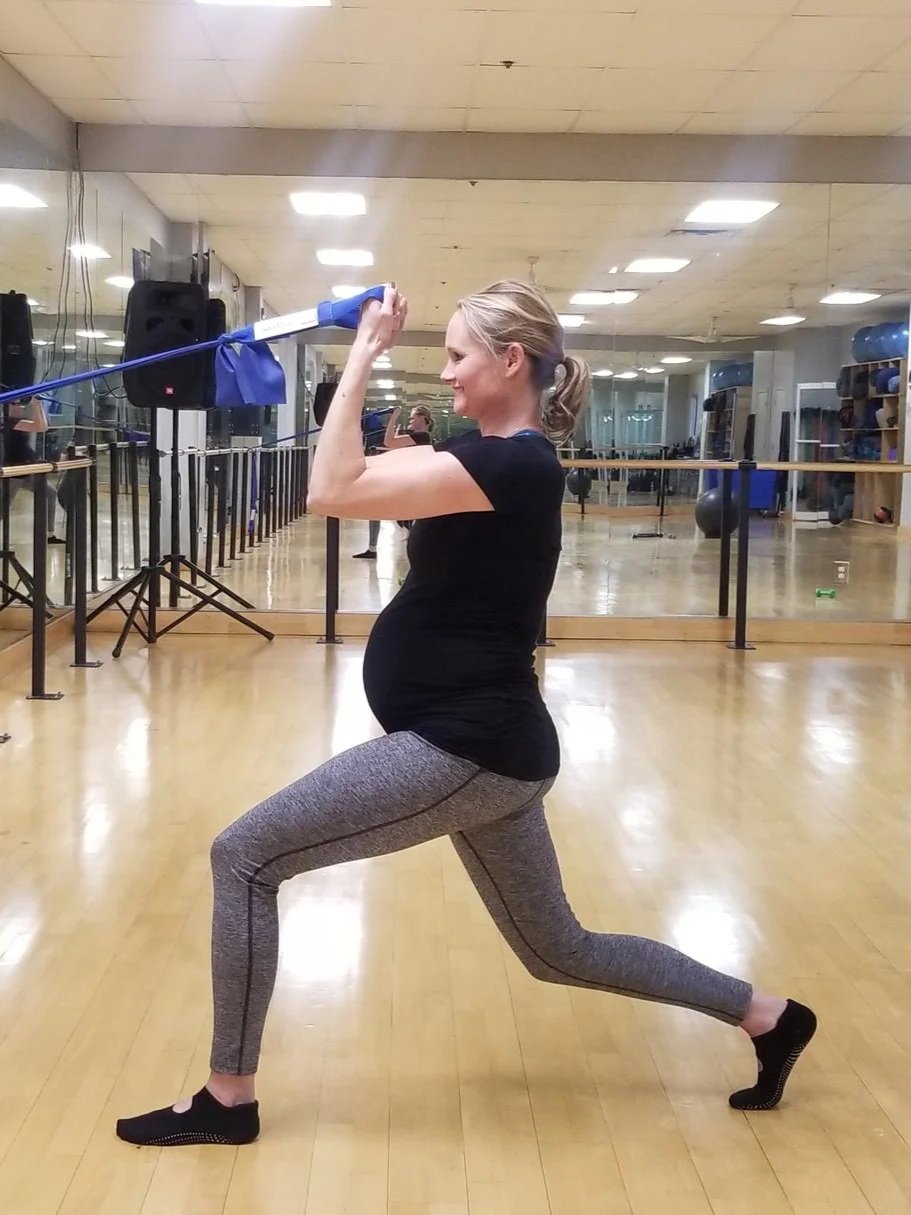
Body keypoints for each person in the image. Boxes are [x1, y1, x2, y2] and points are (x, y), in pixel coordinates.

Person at [116, 280, 817, 1149]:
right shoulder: (479, 454)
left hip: (464, 748)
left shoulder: (514, 463)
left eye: (456, 355)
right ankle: (768, 1015)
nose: (445, 375)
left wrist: (364, 352)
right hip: (493, 748)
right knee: (557, 946)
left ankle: (228, 1098)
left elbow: (329, 488)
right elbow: (354, 478)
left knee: (246, 856)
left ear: (510, 360)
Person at [352, 404, 434, 557]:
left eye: (413, 416)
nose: (410, 418)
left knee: (397, 516)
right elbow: (395, 445)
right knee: (393, 515)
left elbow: (389, 441)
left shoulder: (420, 436)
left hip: (407, 482)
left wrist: (393, 418)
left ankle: (374, 548)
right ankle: (373, 548)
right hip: (407, 480)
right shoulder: (419, 436)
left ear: (423, 418)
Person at [1, 397, 62, 543]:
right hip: (14, 474)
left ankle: (49, 535)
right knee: (2, 511)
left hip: (27, 471)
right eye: (16, 404)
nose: (20, 407)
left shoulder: (18, 421)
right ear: (8, 407)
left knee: (50, 492)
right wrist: (35, 404)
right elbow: (40, 427)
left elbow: (44, 426)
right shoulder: (12, 423)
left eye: (21, 403)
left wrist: (38, 404)